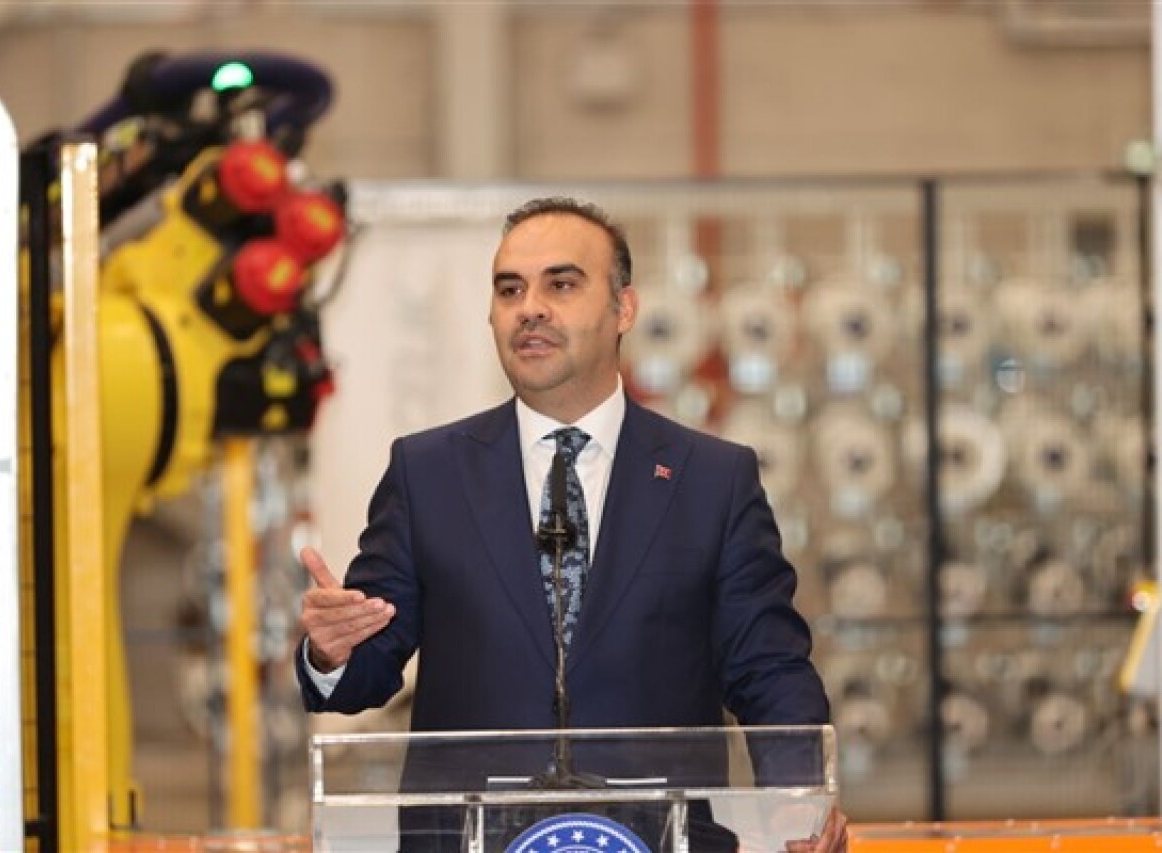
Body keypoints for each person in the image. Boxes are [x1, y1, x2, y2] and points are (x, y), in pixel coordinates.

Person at [297, 196, 848, 852]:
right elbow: (365, 667)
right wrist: (331, 652)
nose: (529, 307)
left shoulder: (712, 480)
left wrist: (798, 803)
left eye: (560, 284)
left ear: (624, 309)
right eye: (510, 289)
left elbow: (768, 667)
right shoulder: (427, 473)